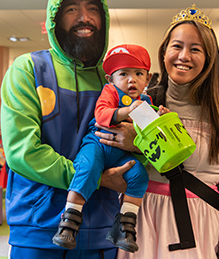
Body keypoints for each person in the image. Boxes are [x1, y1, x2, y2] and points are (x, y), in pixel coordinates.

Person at [95, 4, 219, 258]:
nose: (184, 56)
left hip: (201, 226)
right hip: (141, 222)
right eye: (177, 46)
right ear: (164, 53)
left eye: (195, 49)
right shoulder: (142, 105)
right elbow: (107, 160)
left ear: (209, 58)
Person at [1, 0, 134, 258]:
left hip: (101, 228)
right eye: (71, 9)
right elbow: (22, 151)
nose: (84, 18)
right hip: (37, 225)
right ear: (55, 20)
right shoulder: (29, 70)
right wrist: (95, 178)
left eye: (92, 9)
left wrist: (137, 142)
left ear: (104, 19)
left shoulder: (114, 80)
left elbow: (135, 139)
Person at [52, 44, 168, 253]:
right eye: (123, 74)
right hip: (97, 144)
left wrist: (160, 118)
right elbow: (102, 115)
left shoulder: (146, 101)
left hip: (122, 155)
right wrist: (127, 111)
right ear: (110, 79)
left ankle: (125, 224)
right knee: (86, 168)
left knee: (139, 176)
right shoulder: (110, 91)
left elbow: (152, 136)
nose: (131, 79)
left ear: (148, 79)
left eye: (138, 74)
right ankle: (69, 220)